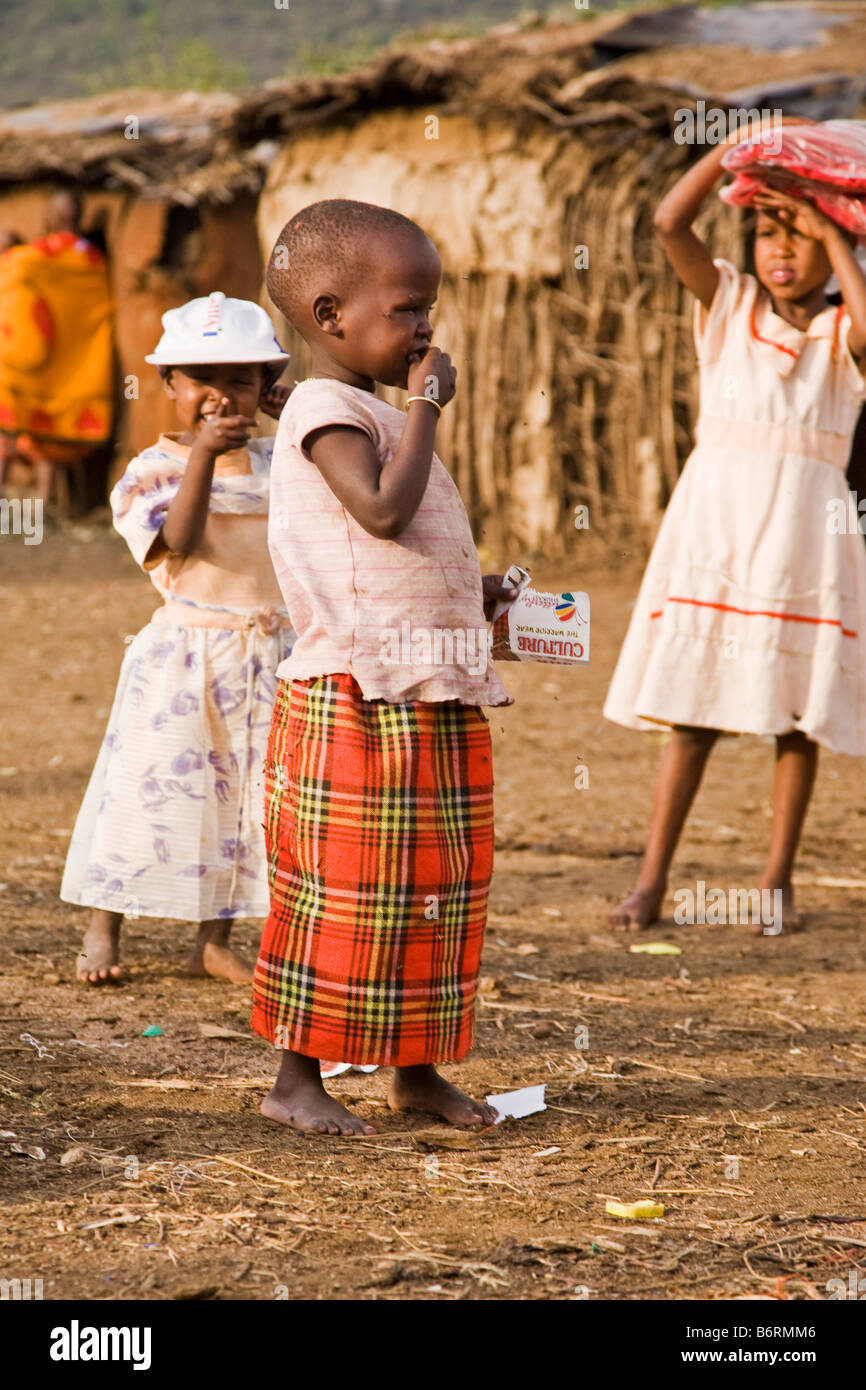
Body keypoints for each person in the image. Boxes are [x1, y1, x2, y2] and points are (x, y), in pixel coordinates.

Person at [252, 199, 518, 1135]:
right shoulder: (329, 409)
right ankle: (296, 1079)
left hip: (435, 690)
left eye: (429, 308)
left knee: (434, 893)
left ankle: (416, 1071)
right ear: (330, 317)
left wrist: (474, 593)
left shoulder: (375, 408)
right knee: (345, 894)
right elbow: (380, 514)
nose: (425, 329)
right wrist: (430, 403)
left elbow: (402, 551)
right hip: (357, 697)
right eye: (407, 309)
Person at [604, 123, 866, 934]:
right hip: (717, 528)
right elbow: (667, 223)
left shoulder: (839, 333)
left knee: (796, 716)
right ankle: (652, 882)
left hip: (805, 540)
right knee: (694, 712)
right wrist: (737, 147)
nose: (780, 249)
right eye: (766, 230)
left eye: (799, 236)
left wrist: (830, 226)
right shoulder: (730, 303)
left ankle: (776, 882)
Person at [61, 293, 294, 984]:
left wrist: (298, 417)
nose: (221, 396)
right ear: (169, 386)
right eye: (201, 378)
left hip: (269, 657)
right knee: (145, 789)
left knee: (246, 797)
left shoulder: (289, 460)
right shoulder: (148, 474)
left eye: (243, 380)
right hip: (183, 661)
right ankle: (105, 926)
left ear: (268, 387)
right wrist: (202, 459)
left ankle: (212, 939)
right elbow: (181, 546)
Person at [0, 190, 114, 504]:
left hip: (63, 360)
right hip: (53, 361)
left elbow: (16, 269)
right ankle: (40, 506)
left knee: (39, 435)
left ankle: (44, 505)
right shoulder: (84, 255)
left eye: (64, 212)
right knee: (32, 432)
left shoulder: (67, 254)